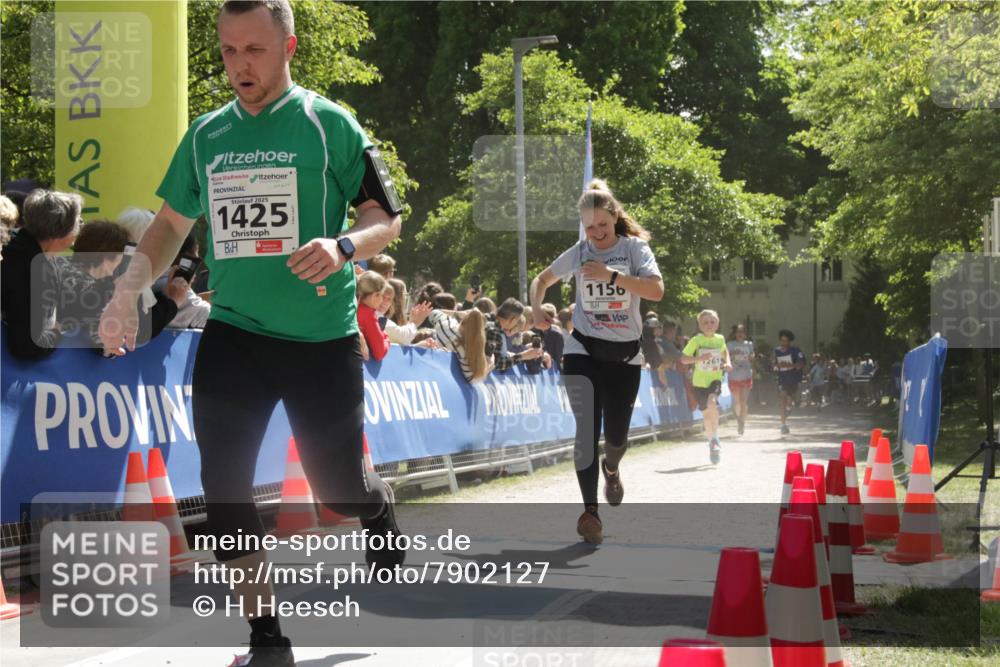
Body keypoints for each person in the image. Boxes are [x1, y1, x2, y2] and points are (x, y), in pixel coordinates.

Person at [97, 2, 404, 663]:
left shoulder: (329, 125)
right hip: (235, 334)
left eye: (255, 50)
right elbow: (168, 226)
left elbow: (387, 216)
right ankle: (266, 636)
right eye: (229, 50)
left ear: (288, 47)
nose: (240, 65)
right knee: (225, 481)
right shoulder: (206, 135)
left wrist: (344, 244)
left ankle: (376, 506)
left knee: (340, 491)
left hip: (320, 339)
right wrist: (126, 291)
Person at [530, 178, 663, 545]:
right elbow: (541, 280)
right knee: (586, 428)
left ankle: (612, 467)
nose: (597, 233)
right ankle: (590, 512)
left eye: (603, 225)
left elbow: (656, 290)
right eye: (590, 227)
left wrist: (613, 276)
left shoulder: (634, 248)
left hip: (623, 354)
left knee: (616, 435)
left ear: (614, 216)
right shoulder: (580, 251)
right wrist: (537, 306)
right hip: (583, 348)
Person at [1, 189, 82, 359]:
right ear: (60, 230)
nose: (80, 227)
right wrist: (58, 331)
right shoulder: (36, 270)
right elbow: (29, 346)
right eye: (77, 222)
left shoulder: (10, 245)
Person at [681, 310, 732, 464]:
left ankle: (715, 437)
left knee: (712, 404)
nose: (709, 325)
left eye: (712, 322)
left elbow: (724, 352)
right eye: (705, 322)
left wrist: (728, 362)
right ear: (700, 326)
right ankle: (712, 441)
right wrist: (699, 358)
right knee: (706, 415)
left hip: (715, 379)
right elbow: (683, 359)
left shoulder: (720, 338)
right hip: (699, 383)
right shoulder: (697, 340)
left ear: (717, 323)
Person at [773, 329, 806, 435]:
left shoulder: (795, 350)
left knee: (789, 401)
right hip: (782, 379)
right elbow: (773, 363)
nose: (784, 343)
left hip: (793, 379)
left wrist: (792, 365)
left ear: (790, 341)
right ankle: (783, 425)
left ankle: (788, 408)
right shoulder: (777, 351)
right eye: (782, 341)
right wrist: (776, 366)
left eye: (786, 341)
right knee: (782, 398)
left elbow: (802, 363)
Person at [726, 323, 754, 435]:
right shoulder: (730, 344)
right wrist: (732, 356)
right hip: (734, 376)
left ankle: (741, 422)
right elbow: (726, 357)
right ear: (734, 333)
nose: (740, 334)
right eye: (738, 332)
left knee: (743, 401)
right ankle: (739, 419)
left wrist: (752, 357)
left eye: (742, 332)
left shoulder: (749, 344)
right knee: (737, 402)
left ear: (745, 334)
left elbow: (752, 355)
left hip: (746, 375)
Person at [356, 270, 390, 361]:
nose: (382, 300)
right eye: (381, 295)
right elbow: (380, 352)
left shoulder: (349, 307)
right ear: (375, 295)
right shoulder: (368, 314)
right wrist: (386, 336)